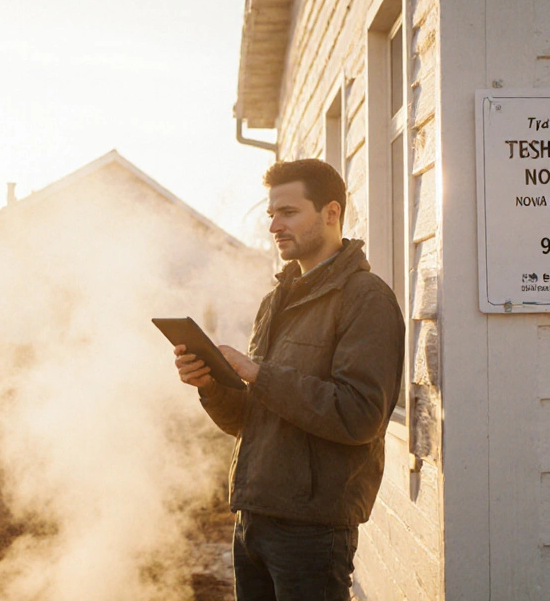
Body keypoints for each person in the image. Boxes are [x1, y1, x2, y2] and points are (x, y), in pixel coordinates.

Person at [173, 158, 405, 601]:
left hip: (312, 530)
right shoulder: (275, 299)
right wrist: (211, 384)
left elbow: (361, 416)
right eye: (271, 214)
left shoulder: (366, 298)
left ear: (331, 213)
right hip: (253, 517)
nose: (274, 225)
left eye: (289, 212)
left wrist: (260, 372)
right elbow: (248, 418)